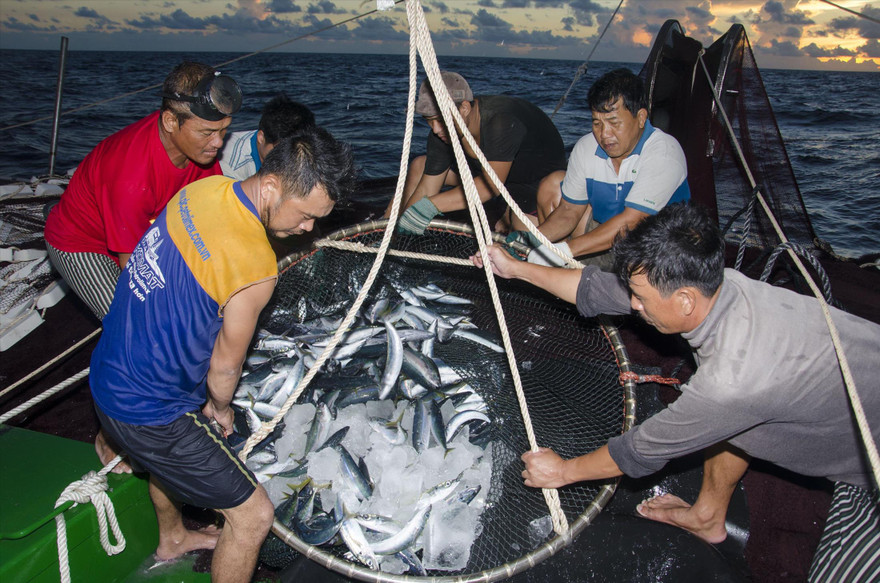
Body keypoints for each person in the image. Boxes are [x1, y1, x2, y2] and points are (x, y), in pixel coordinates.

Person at [472, 204, 880, 582]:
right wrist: (517, 269)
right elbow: (599, 290)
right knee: (735, 424)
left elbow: (640, 451)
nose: (632, 306)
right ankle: (707, 515)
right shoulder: (723, 286)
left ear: (684, 301)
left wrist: (561, 472)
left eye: (641, 298)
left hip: (870, 459)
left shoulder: (728, 384)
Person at [88, 126, 357, 582]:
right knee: (252, 516)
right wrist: (221, 408)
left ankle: (173, 537)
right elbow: (224, 366)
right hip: (147, 411)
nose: (309, 229)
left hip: (105, 375)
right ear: (272, 185)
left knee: (180, 451)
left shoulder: (202, 190)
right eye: (307, 215)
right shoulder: (255, 265)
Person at [44, 60, 242, 472]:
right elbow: (138, 280)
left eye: (224, 131)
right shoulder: (130, 172)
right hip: (85, 245)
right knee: (136, 333)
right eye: (208, 132)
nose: (218, 143)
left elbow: (218, 213)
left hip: (152, 231)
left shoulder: (200, 155)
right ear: (170, 121)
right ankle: (111, 432)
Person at [511, 68, 690, 270]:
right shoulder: (586, 146)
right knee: (551, 187)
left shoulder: (664, 152)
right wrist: (529, 242)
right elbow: (568, 211)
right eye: (597, 123)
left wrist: (564, 251)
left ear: (641, 118)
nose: (605, 134)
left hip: (658, 250)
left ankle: (576, 273)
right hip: (605, 242)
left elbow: (632, 222)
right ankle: (576, 272)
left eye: (614, 123)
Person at [388, 71, 567, 234]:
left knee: (525, 240)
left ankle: (508, 214)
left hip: (535, 185)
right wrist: (401, 226)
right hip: (491, 176)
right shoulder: (443, 131)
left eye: (440, 120)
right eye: (429, 120)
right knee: (420, 166)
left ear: (464, 109)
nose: (434, 129)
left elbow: (490, 186)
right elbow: (428, 187)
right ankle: (387, 225)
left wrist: (428, 207)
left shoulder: (501, 121)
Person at [219, 93, 315, 181]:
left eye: (293, 150)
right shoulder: (232, 168)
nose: (288, 158)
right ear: (261, 138)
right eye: (280, 150)